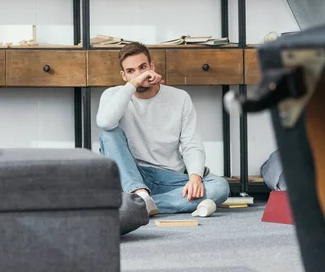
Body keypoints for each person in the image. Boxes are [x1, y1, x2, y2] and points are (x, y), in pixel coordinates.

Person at [96, 42, 230, 216]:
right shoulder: (114, 95)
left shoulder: (180, 97)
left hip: (169, 177)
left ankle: (139, 204)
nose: (139, 75)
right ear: (124, 75)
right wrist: (133, 84)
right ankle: (139, 194)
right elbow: (105, 122)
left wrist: (195, 177)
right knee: (109, 133)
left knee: (220, 187)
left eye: (143, 67)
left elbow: (191, 143)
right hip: (133, 174)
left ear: (152, 66)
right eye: (131, 71)